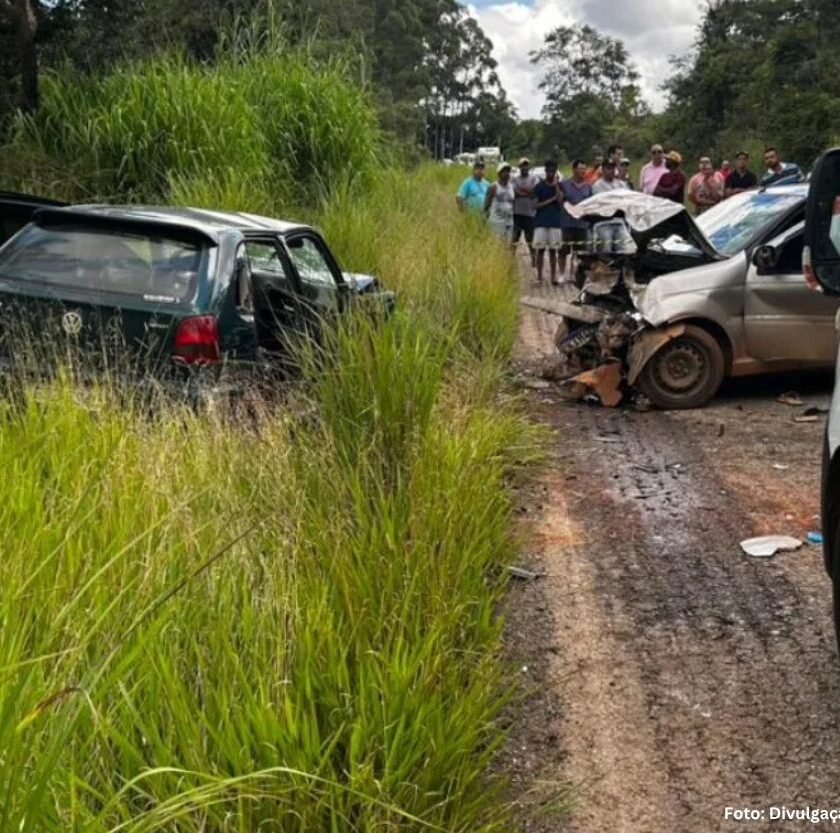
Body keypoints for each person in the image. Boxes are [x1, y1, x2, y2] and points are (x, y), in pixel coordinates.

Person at [558, 159, 593, 281]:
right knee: (563, 250)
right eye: (580, 168)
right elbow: (560, 201)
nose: (583, 171)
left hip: (582, 224)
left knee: (581, 252)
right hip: (567, 222)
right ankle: (561, 274)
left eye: (584, 169)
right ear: (574, 169)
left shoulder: (588, 186)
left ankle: (576, 275)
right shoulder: (564, 184)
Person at [533, 159, 565, 286]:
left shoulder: (560, 186)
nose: (551, 173)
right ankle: (539, 276)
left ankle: (553, 277)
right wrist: (551, 200)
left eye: (553, 171)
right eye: (549, 171)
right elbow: (535, 205)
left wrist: (556, 185)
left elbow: (561, 202)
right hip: (541, 222)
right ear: (545, 171)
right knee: (540, 250)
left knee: (553, 251)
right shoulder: (539, 187)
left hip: (555, 222)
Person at [591, 161, 634, 254]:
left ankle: (621, 267)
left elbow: (627, 200)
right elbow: (604, 204)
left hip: (619, 222)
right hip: (604, 223)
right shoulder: (597, 185)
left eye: (613, 168)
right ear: (603, 170)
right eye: (608, 168)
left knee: (627, 249)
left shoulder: (621, 184)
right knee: (606, 250)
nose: (611, 171)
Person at [512, 157, 540, 265]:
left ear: (529, 166)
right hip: (517, 213)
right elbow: (515, 192)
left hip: (530, 213)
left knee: (531, 239)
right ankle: (510, 260)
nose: (525, 167)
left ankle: (534, 260)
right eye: (523, 165)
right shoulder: (514, 178)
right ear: (519, 167)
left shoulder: (534, 178)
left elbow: (535, 192)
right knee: (514, 238)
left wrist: (522, 190)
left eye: (526, 165)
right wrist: (528, 192)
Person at [484, 163, 515, 242]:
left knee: (507, 245)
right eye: (504, 171)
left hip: (509, 221)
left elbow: (513, 202)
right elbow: (486, 205)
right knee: (497, 245)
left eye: (508, 171)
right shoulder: (493, 187)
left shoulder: (511, 186)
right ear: (499, 173)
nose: (507, 174)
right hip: (496, 222)